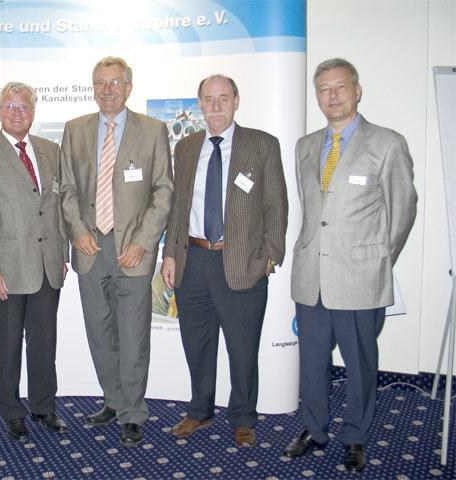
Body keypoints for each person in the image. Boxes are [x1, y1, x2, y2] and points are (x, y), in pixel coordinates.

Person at [283, 58, 417, 472]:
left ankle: (356, 435)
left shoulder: (387, 143)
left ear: (357, 90)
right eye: (324, 89)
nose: (332, 96)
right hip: (311, 276)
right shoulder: (305, 145)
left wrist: (376, 259)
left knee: (360, 364)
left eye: (340, 87)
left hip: (359, 276)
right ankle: (314, 429)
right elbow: (313, 212)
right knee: (312, 362)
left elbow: (403, 210)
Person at [161, 74, 288, 447]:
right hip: (193, 261)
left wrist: (269, 257)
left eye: (223, 98)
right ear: (199, 104)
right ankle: (199, 411)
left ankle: (244, 417)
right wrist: (170, 254)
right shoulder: (186, 147)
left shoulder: (262, 144)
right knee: (197, 344)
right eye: (208, 99)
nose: (215, 106)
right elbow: (178, 207)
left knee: (242, 348)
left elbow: (276, 206)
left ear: (236, 100)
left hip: (242, 263)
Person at [60, 56, 173, 447]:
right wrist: (77, 232)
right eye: (100, 83)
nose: (107, 90)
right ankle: (113, 400)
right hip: (90, 248)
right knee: (99, 331)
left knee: (133, 334)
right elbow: (67, 189)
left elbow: (163, 190)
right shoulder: (75, 130)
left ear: (128, 87)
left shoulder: (153, 130)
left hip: (133, 250)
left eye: (114, 83)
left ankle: (133, 412)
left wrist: (142, 242)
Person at [0, 82, 68, 442]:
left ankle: (44, 406)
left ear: (33, 112)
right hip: (5, 270)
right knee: (7, 346)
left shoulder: (50, 151)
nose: (17, 113)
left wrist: (62, 254)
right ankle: (11, 410)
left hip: (47, 266)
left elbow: (57, 207)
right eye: (10, 107)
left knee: (45, 342)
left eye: (23, 107)